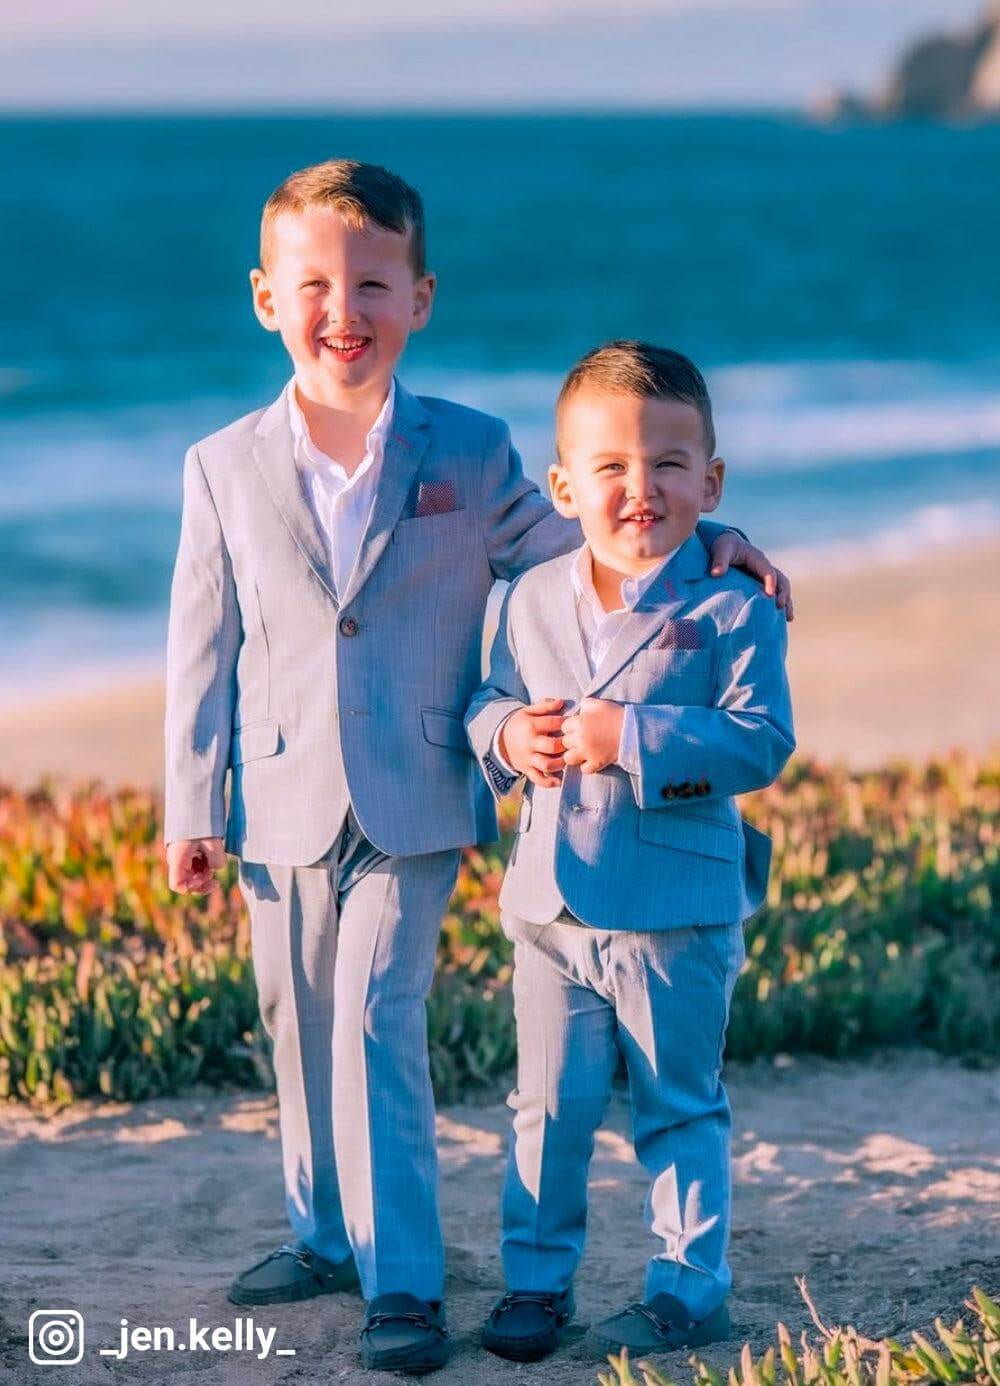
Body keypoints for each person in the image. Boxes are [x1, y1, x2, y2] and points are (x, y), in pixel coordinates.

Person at [164, 161, 790, 1374]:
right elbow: (202, 648)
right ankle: (326, 1234)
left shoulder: (473, 448)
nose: (342, 308)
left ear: (420, 298)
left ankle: (401, 1287)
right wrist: (193, 803)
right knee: (297, 1024)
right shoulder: (219, 466)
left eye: (372, 284)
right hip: (277, 795)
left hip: (418, 792)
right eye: (314, 286)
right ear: (264, 298)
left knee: (377, 1015)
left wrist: (710, 533)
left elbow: (594, 537)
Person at [466, 341, 795, 1363]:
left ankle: (689, 1288)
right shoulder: (527, 598)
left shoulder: (735, 604)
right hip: (551, 910)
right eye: (608, 466)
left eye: (665, 463)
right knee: (547, 1108)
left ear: (710, 481)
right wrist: (509, 738)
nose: (638, 487)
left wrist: (634, 742)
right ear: (564, 486)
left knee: (678, 1106)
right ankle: (534, 1281)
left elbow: (762, 739)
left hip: (677, 911)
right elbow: (485, 701)